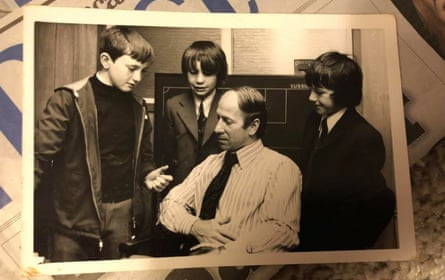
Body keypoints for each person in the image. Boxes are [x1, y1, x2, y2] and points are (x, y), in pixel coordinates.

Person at [34, 26, 172, 261]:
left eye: (143, 71)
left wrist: (146, 174)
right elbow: (38, 159)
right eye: (132, 68)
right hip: (72, 220)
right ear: (106, 60)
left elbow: (144, 157)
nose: (138, 78)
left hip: (122, 217)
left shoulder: (138, 109)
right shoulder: (67, 100)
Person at [159, 86, 302, 255]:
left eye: (227, 121)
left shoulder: (281, 169)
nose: (217, 128)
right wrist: (195, 226)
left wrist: (225, 252)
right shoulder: (210, 164)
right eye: (218, 118)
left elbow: (282, 232)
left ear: (253, 126)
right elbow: (168, 205)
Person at [297, 51, 396, 251]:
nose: (310, 97)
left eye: (319, 92)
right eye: (311, 90)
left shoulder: (364, 138)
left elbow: (381, 204)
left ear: (343, 92)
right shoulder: (314, 119)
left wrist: (342, 247)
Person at [160, 41, 227, 191]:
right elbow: (168, 155)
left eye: (207, 73)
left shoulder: (230, 104)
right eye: (193, 72)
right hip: (181, 189)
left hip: (219, 190)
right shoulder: (173, 105)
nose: (199, 80)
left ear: (219, 74)